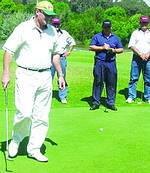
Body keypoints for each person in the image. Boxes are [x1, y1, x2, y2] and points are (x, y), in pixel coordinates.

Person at [1, 1, 65, 162]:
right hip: (26, 75)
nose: (49, 19)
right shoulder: (23, 28)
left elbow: (56, 55)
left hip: (45, 76)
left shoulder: (52, 31)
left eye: (51, 16)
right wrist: (6, 73)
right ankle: (16, 140)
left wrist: (60, 75)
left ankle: (34, 148)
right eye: (46, 15)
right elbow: (8, 51)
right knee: (24, 112)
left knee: (42, 116)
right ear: (37, 12)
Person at [89, 19, 123, 111]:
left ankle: (110, 103)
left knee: (111, 82)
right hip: (100, 62)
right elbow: (91, 47)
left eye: (108, 27)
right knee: (98, 82)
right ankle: (96, 102)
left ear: (111, 27)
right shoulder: (97, 36)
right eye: (105, 27)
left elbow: (121, 49)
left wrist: (113, 50)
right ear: (102, 27)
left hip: (111, 63)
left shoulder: (115, 38)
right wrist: (102, 47)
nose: (106, 29)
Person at [51, 18, 76, 104]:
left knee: (62, 77)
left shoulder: (64, 33)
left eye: (57, 24)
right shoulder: (48, 32)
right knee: (47, 77)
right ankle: (46, 96)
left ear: (60, 25)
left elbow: (72, 43)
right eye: (54, 24)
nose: (56, 26)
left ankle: (62, 96)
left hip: (61, 58)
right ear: (51, 24)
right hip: (49, 58)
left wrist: (68, 51)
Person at [126, 16, 150, 104]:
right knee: (134, 78)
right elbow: (131, 45)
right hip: (136, 58)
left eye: (146, 23)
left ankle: (147, 97)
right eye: (143, 22)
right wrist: (140, 54)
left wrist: (147, 54)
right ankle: (131, 96)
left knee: (148, 79)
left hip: (148, 58)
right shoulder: (135, 33)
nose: (144, 24)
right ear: (140, 23)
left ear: (148, 23)